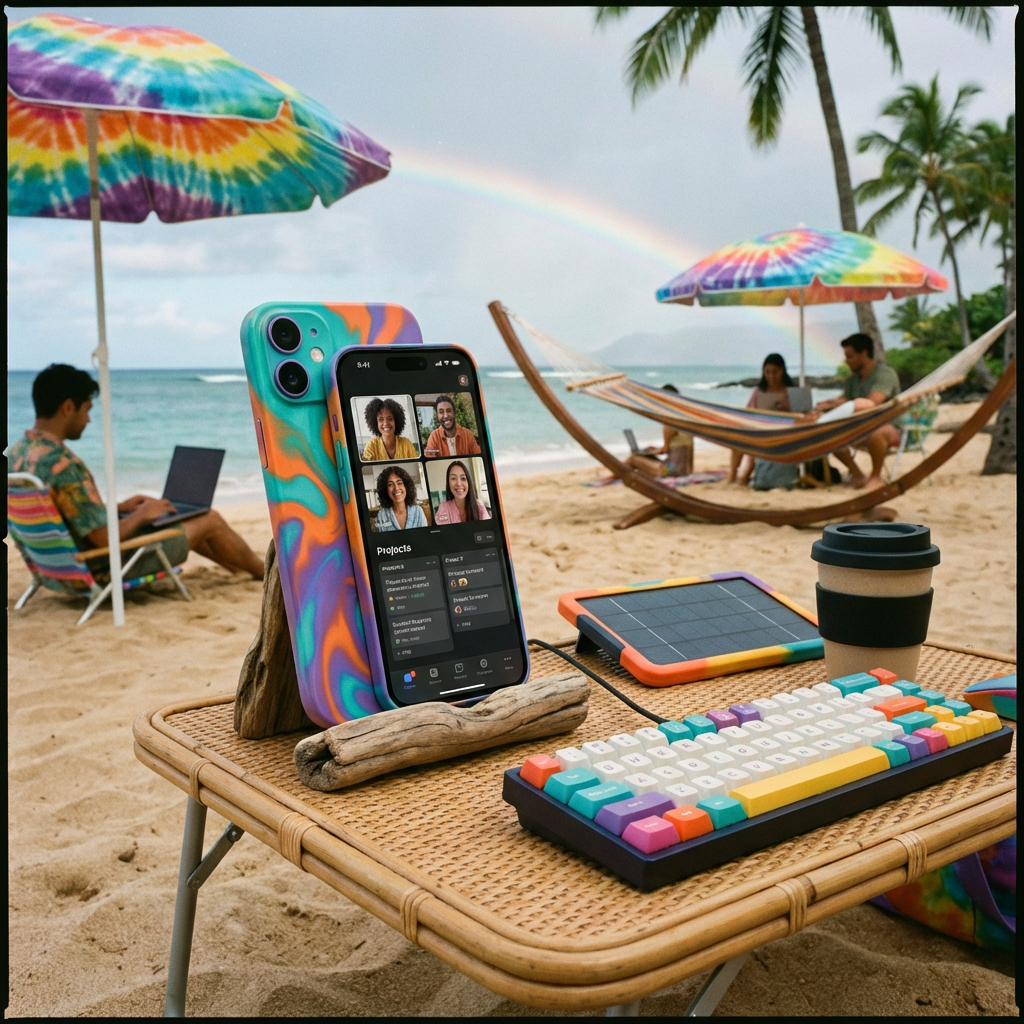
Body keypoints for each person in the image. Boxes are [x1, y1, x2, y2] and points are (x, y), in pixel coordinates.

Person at [8, 364, 264, 579]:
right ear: (67, 408)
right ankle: (262, 573)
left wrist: (119, 509)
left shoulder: (17, 454)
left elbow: (73, 513)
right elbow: (102, 540)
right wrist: (142, 514)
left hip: (58, 569)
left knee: (174, 517)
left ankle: (239, 570)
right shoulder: (63, 464)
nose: (88, 420)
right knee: (209, 519)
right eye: (86, 410)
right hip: (106, 566)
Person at [805, 333, 901, 490]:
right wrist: (827, 405)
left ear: (863, 354)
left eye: (849, 356)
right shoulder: (853, 380)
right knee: (830, 435)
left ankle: (876, 477)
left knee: (877, 431)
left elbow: (872, 403)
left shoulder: (884, 375)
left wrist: (840, 405)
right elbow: (843, 400)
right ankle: (857, 475)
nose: (846, 361)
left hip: (892, 428)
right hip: (861, 429)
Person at [728, 353, 793, 486]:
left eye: (775, 372)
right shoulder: (759, 391)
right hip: (761, 430)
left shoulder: (792, 391)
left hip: (785, 433)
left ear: (782, 371)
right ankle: (733, 475)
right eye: (767, 372)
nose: (771, 376)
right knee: (739, 440)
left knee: (755, 444)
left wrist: (787, 409)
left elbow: (805, 416)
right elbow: (747, 413)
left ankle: (744, 477)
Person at [625, 384, 695, 479]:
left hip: (673, 471)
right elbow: (676, 447)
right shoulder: (686, 419)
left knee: (633, 459)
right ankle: (611, 477)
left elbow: (664, 450)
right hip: (686, 470)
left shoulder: (670, 421)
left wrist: (648, 453)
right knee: (641, 456)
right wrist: (652, 450)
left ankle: (609, 478)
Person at [372, 465, 428, 531]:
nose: (396, 488)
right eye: (390, 484)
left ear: (406, 486)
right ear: (385, 490)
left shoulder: (418, 511)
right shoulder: (381, 515)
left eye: (399, 483)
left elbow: (424, 538)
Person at [361, 397, 418, 461]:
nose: (385, 423)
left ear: (396, 421)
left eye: (390, 419)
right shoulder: (371, 446)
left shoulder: (406, 444)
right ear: (375, 422)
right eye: (380, 419)